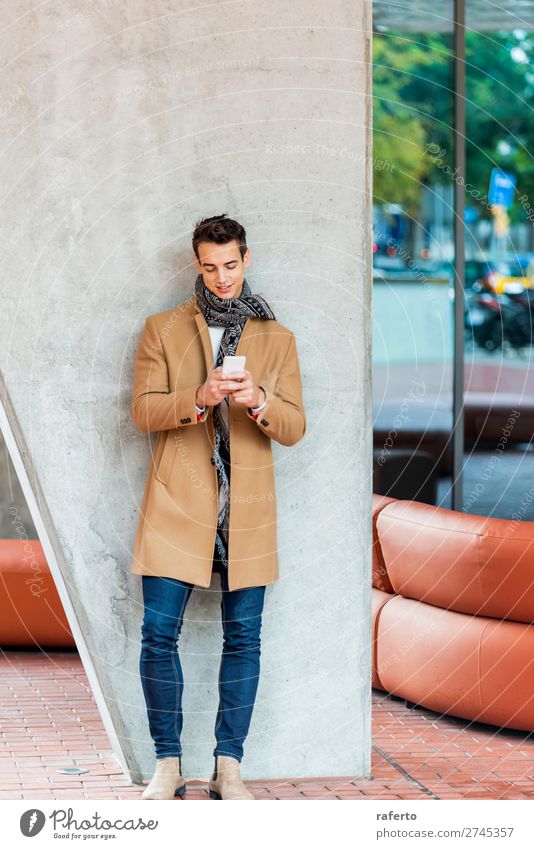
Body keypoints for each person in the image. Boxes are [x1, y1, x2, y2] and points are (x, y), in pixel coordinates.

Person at [130, 214, 306, 799]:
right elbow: (142, 412)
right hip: (176, 505)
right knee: (158, 635)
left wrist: (258, 402)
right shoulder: (162, 328)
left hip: (246, 513)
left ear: (246, 259)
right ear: (196, 264)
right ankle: (167, 765)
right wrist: (199, 398)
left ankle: (229, 767)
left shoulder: (276, 337)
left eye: (231, 265)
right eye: (210, 266)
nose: (222, 277)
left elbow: (296, 426)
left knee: (245, 638)